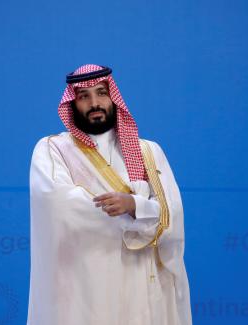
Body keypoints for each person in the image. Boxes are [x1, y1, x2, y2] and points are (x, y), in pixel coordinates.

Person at [27, 64, 192, 325]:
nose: (95, 103)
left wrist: (134, 206)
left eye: (101, 93)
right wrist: (137, 219)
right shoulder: (53, 150)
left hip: (140, 282)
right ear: (72, 103)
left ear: (112, 97)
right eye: (84, 96)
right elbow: (60, 207)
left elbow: (171, 213)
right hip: (85, 286)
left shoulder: (148, 151)